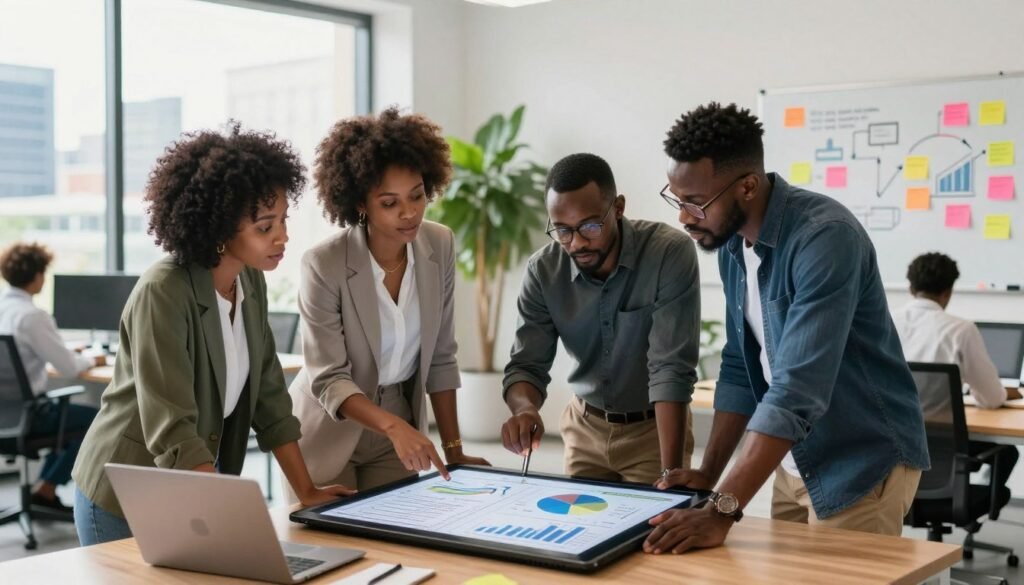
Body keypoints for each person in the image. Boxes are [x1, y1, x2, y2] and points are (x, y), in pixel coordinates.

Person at [647, 102, 929, 555]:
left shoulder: (825, 237)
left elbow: (797, 388)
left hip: (859, 459)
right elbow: (741, 367)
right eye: (677, 200)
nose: (683, 217)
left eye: (696, 203)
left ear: (748, 186)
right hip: (794, 458)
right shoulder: (733, 247)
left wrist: (721, 511)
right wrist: (709, 475)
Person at [71, 123, 352, 546]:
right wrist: (226, 513)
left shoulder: (250, 282)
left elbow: (270, 398)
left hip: (186, 488)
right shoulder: (163, 291)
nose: (283, 236)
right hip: (124, 498)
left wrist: (307, 490)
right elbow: (172, 428)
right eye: (264, 226)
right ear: (220, 231)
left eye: (283, 220)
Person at [288, 107, 487, 493]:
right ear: (361, 203)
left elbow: (442, 355)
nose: (409, 212)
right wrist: (395, 428)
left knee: (396, 538)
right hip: (330, 426)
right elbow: (329, 378)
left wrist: (455, 450)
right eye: (390, 203)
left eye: (417, 196)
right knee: (337, 546)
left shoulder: (439, 244)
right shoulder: (324, 264)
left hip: (400, 415)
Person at [501, 152, 699, 484]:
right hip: (584, 429)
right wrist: (525, 409)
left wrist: (670, 473)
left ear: (618, 208)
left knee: (653, 530)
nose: (576, 242)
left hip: (653, 433)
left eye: (590, 226)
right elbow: (526, 365)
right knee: (580, 529)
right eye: (562, 230)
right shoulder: (543, 270)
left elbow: (670, 370)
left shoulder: (668, 253)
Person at [894, 252, 1019, 492]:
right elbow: (991, 398)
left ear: (910, 288)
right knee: (1007, 452)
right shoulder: (960, 330)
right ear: (948, 292)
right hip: (940, 450)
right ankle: (968, 501)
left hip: (893, 453)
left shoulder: (886, 321)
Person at [0, 242, 103, 512]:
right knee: (98, 420)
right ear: (36, 276)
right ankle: (46, 488)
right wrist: (94, 359)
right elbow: (69, 368)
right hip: (31, 416)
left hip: (5, 415)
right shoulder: (33, 316)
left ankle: (45, 489)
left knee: (71, 422)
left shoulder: (4, 309)